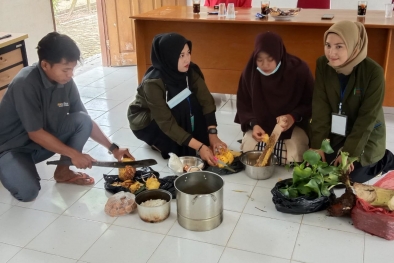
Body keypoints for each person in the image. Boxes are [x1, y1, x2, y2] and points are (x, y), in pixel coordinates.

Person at [0, 32, 133, 202]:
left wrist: (114, 148)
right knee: (28, 192)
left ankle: (63, 171)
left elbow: (86, 121)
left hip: (39, 144)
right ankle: (8, 167)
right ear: (45, 65)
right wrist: (74, 154)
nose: (70, 74)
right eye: (66, 69)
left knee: (82, 120)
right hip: (11, 148)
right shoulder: (25, 83)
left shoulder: (65, 82)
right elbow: (35, 133)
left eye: (72, 69)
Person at [311, 20, 394, 183]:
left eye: (339, 46)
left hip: (365, 133)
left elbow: (367, 118)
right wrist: (317, 145)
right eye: (328, 45)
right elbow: (320, 106)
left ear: (355, 46)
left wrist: (348, 153)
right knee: (316, 166)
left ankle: (385, 159)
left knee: (346, 176)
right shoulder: (323, 64)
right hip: (338, 129)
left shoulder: (373, 73)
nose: (331, 52)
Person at [127, 33, 226, 166]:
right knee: (179, 150)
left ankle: (190, 139)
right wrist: (200, 147)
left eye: (188, 53)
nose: (187, 60)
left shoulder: (190, 70)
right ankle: (157, 143)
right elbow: (166, 122)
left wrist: (213, 134)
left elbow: (206, 100)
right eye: (181, 55)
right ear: (169, 57)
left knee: (192, 101)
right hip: (148, 120)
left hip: (173, 109)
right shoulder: (153, 83)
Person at [235, 32, 314, 165]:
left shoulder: (299, 70)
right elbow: (244, 104)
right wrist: (254, 124)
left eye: (270, 59)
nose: (265, 64)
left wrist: (292, 117)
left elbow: (311, 102)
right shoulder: (250, 73)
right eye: (259, 59)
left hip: (293, 126)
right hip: (261, 126)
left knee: (292, 158)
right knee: (249, 153)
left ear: (279, 55)